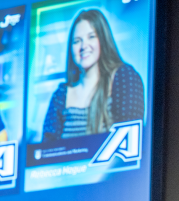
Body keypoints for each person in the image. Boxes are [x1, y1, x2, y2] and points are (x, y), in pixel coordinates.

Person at [42, 9, 144, 141]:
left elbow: (130, 139)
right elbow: (46, 150)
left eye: (91, 37)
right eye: (77, 41)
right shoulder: (60, 96)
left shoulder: (124, 77)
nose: (84, 46)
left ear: (103, 39)